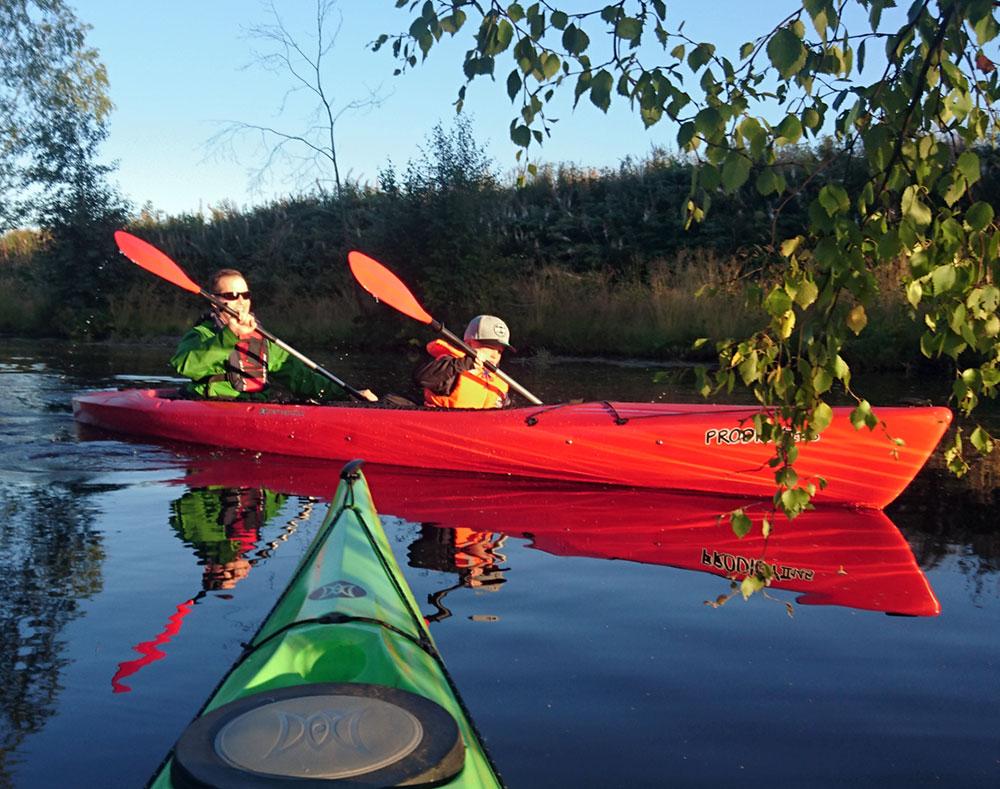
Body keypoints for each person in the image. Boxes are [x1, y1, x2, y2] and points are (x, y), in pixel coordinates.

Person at [170, 268, 377, 402]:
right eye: (231, 296)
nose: (241, 301)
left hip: (254, 406)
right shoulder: (203, 333)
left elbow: (300, 378)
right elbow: (184, 365)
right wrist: (230, 335)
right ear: (214, 301)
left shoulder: (261, 337)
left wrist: (349, 395)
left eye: (245, 295)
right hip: (213, 405)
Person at [413, 314, 513, 408]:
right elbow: (422, 378)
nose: (494, 355)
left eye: (499, 351)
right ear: (469, 344)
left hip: (480, 424)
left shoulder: (499, 379)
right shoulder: (454, 366)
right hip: (445, 422)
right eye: (489, 347)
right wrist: (464, 363)